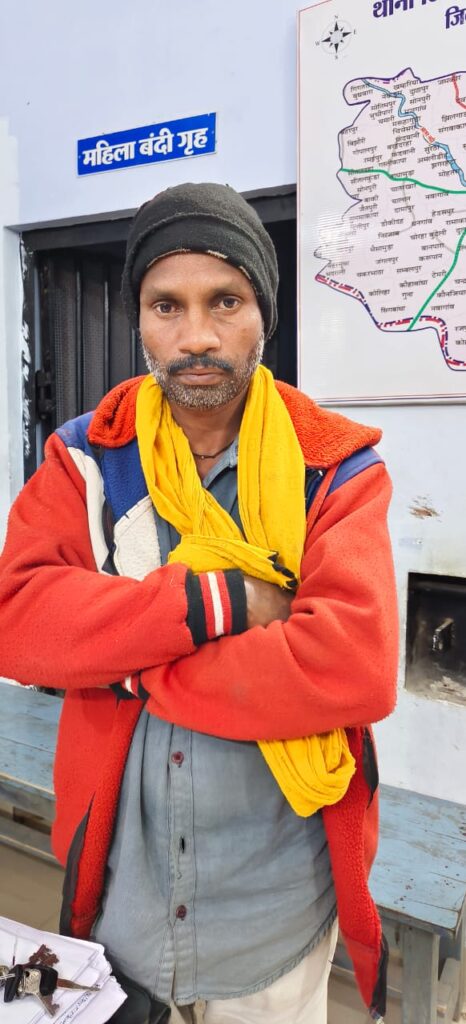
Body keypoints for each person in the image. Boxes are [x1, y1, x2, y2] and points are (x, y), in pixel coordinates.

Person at [0, 183, 398, 1024]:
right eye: (166, 306)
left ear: (264, 316)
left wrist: (129, 666)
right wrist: (216, 603)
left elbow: (354, 667)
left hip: (275, 911)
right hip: (124, 899)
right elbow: (20, 623)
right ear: (139, 321)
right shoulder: (86, 459)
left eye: (225, 301)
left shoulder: (334, 470)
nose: (197, 337)